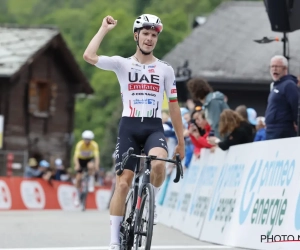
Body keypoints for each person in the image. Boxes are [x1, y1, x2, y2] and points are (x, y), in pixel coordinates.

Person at [83, 14, 185, 249]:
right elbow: (89, 56)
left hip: (153, 126)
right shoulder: (122, 64)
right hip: (129, 126)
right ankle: (114, 242)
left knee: (159, 164)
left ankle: (153, 201)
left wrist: (181, 141)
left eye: (154, 35)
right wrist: (103, 29)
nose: (150, 39)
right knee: (123, 183)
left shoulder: (165, 69)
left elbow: (174, 107)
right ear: (136, 36)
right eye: (146, 34)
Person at [265, 55, 299, 140]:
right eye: (272, 66)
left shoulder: (289, 85)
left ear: (285, 68)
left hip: (282, 131)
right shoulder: (275, 86)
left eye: (277, 66)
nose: (274, 69)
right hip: (271, 131)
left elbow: (296, 108)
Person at [73, 130, 100, 204]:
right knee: (78, 179)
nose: (87, 141)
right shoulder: (80, 144)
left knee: (91, 166)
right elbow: (75, 157)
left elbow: (97, 157)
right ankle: (77, 197)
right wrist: (77, 165)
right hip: (80, 160)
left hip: (89, 159)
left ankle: (91, 180)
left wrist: (97, 166)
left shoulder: (94, 145)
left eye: (89, 139)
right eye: (85, 139)